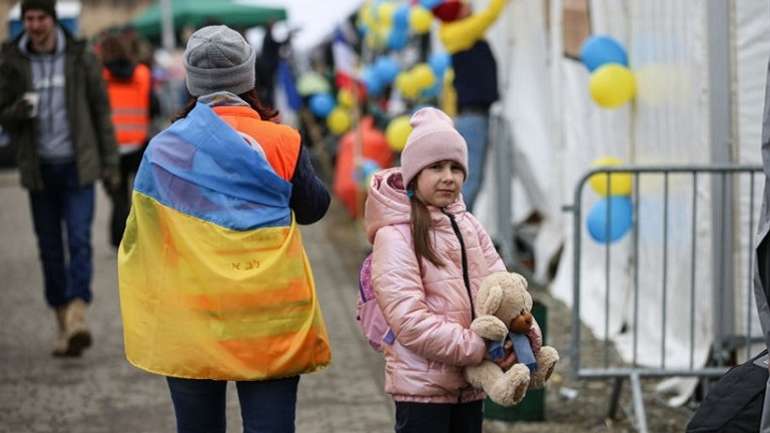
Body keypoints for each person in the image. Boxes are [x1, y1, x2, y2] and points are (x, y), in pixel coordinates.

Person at [117, 25, 331, 433]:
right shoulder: (283, 141)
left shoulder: (163, 149)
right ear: (247, 77)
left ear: (192, 80)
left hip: (193, 315)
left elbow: (143, 230)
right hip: (271, 318)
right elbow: (314, 209)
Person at [364, 107, 532, 433]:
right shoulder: (396, 235)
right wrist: (477, 347)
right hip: (423, 388)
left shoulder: (469, 226)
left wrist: (521, 332)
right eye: (436, 167)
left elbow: (503, 286)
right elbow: (409, 319)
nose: (448, 176)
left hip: (470, 385)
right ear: (414, 175)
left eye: (456, 168)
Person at [0, 0, 119, 357]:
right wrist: (17, 111)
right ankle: (61, 321)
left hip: (77, 165)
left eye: (41, 18)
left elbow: (101, 111)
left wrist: (111, 164)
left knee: (80, 241)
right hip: (39, 170)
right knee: (50, 250)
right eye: (30, 19)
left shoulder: (81, 56)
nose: (35, 25)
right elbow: (2, 115)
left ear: (53, 20)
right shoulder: (12, 61)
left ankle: (78, 315)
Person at [435, 0, 510, 211]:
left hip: (474, 116)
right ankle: (456, 227)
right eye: (463, 5)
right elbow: (489, 17)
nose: (469, 5)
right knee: (471, 178)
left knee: (471, 177)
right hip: (473, 117)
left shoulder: (456, 33)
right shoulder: (458, 33)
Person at [99, 34, 159, 248]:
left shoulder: (100, 76)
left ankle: (118, 240)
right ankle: (138, 238)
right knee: (139, 194)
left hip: (110, 148)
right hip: (138, 144)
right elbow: (155, 107)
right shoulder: (143, 74)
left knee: (117, 197)